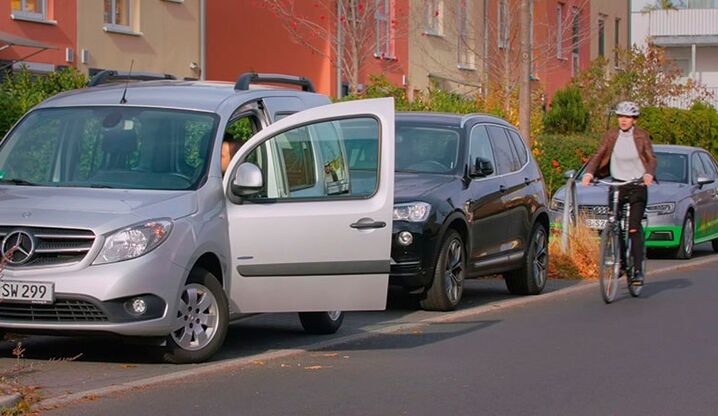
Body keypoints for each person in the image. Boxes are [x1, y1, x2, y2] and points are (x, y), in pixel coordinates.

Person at [581, 101, 657, 286]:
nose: (623, 120)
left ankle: (637, 270)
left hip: (637, 185)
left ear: (634, 120)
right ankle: (621, 263)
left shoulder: (641, 136)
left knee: (633, 228)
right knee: (614, 224)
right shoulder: (611, 135)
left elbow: (650, 157)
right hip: (617, 185)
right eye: (620, 117)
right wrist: (589, 172)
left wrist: (648, 174)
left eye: (627, 117)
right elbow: (599, 155)